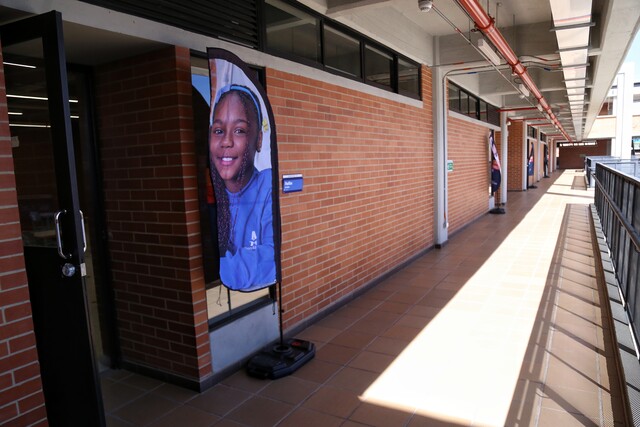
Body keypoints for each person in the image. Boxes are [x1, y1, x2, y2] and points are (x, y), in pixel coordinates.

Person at [209, 84, 275, 291]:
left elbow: (272, 255)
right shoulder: (212, 192)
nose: (226, 142)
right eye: (218, 131)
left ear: (259, 139)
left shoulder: (267, 186)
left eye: (239, 131)